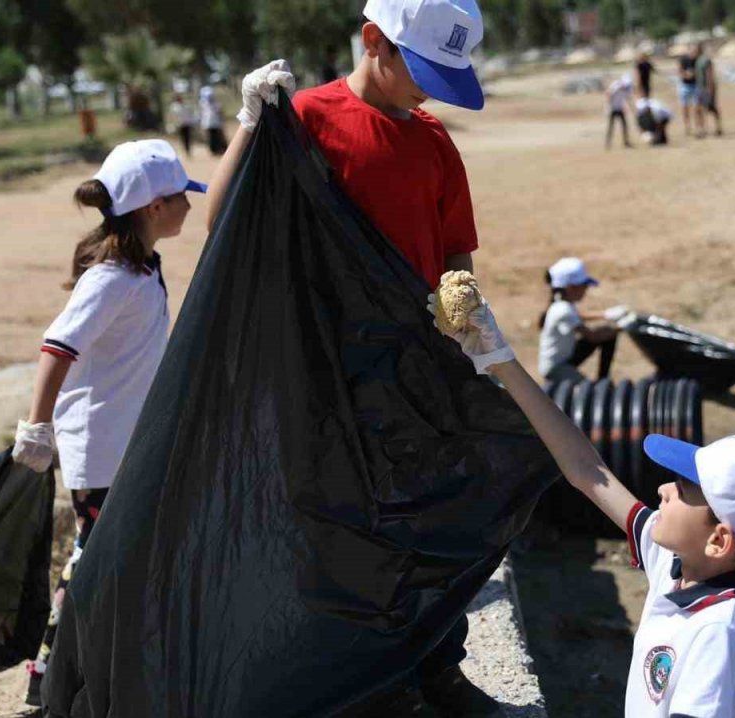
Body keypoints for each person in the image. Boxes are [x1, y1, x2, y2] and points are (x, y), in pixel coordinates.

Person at [202, 1, 494, 713]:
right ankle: (359, 684)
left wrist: (459, 288)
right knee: (336, 530)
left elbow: (455, 244)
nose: (430, 92)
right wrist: (249, 126)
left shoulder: (433, 145)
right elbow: (221, 222)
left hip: (415, 372)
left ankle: (435, 669)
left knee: (426, 520)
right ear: (374, 42)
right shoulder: (306, 121)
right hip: (322, 374)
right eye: (422, 72)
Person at [428, 293, 735, 717]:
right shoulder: (676, 564)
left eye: (684, 490)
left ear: (719, 540)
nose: (664, 490)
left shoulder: (720, 631)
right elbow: (586, 470)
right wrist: (500, 360)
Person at [12, 139, 206, 708]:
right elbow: (57, 346)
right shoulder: (113, 276)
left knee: (101, 559)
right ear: (153, 208)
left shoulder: (143, 265)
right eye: (180, 197)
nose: (189, 206)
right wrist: (36, 427)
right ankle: (56, 678)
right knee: (96, 563)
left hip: (128, 447)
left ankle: (64, 674)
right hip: (102, 453)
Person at [538, 257, 628, 383]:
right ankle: (600, 387)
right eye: (584, 286)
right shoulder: (563, 310)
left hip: (567, 356)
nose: (586, 290)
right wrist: (623, 326)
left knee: (607, 333)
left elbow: (578, 315)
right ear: (570, 288)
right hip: (556, 368)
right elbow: (593, 336)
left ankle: (603, 379)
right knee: (589, 391)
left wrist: (606, 315)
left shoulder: (562, 303)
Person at [693, 43, 722, 138]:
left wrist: (710, 88)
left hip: (707, 88)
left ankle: (718, 127)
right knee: (697, 109)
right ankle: (701, 129)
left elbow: (709, 74)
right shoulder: (697, 61)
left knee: (711, 108)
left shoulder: (706, 60)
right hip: (699, 87)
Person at [604, 74, 634, 150]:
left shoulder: (628, 88)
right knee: (611, 127)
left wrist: (630, 108)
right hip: (612, 109)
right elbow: (608, 94)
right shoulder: (615, 86)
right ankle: (608, 143)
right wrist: (608, 106)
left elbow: (628, 98)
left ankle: (626, 142)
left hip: (620, 108)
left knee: (625, 126)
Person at [677, 46, 700, 138]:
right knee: (684, 107)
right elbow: (679, 71)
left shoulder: (698, 60)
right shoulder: (683, 59)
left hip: (696, 86)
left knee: (697, 108)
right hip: (685, 86)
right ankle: (687, 126)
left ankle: (697, 126)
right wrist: (686, 75)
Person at [198, 86, 226, 156]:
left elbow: (220, 113)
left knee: (218, 137)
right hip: (208, 124)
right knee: (211, 138)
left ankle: (219, 149)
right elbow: (201, 114)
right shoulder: (202, 103)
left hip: (216, 124)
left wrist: (222, 120)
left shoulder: (216, 104)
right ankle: (213, 151)